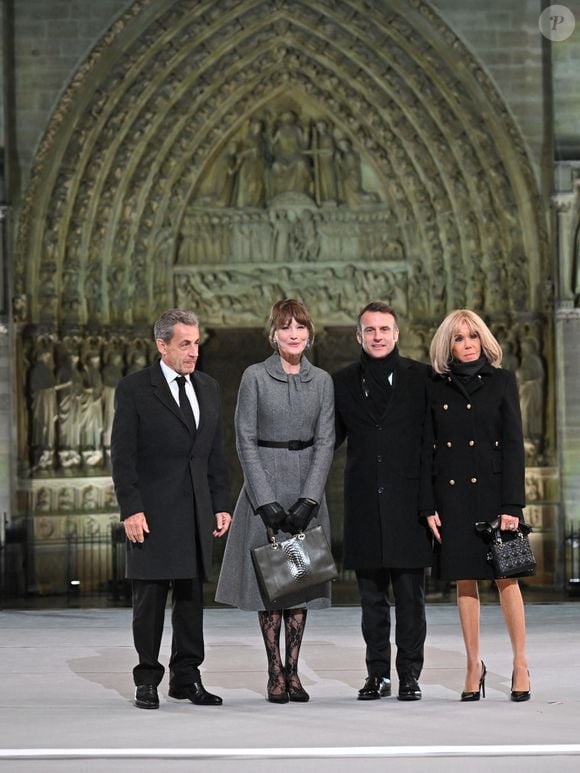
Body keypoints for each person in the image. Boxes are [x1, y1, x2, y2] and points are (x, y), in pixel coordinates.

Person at [111, 309, 231, 710]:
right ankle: (147, 677)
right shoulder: (134, 389)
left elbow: (215, 451)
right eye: (185, 344)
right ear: (162, 346)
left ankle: (186, 677)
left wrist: (220, 503)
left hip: (196, 510)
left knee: (191, 599)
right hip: (152, 514)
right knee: (149, 602)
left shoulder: (209, 387)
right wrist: (131, 508)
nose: (193, 351)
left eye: (197, 343)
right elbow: (122, 456)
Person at [215, 299, 334, 703]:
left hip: (305, 489)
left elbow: (326, 442)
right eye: (286, 327)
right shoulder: (255, 377)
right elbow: (243, 438)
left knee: (298, 584)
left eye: (300, 327)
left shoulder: (321, 381)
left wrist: (309, 498)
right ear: (274, 333)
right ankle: (274, 672)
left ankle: (294, 672)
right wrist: (264, 499)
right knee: (271, 586)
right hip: (263, 485)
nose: (294, 334)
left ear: (310, 333)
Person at [424, 309, 530, 702]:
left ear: (483, 340)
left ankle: (520, 662)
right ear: (447, 344)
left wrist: (512, 505)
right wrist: (429, 504)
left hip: (495, 497)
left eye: (472, 336)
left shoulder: (501, 381)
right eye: (458, 338)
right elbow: (427, 450)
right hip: (452, 497)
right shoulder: (435, 386)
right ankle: (473, 664)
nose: (466, 344)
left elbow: (514, 446)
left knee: (507, 578)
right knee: (464, 581)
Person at [333, 302, 432, 702]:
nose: (377, 336)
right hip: (363, 506)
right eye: (370, 329)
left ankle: (409, 674)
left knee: (411, 599)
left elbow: (432, 446)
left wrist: (432, 503)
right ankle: (378, 675)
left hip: (409, 506)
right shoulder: (341, 382)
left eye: (384, 329)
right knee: (371, 601)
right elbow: (328, 440)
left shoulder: (421, 377)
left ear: (396, 334)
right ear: (359, 336)